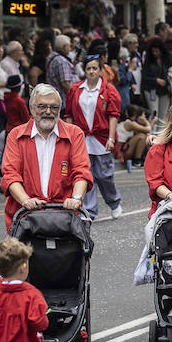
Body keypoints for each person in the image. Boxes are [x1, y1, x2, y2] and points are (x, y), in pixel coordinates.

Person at [0, 85, 92, 234]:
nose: (48, 112)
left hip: (64, 216)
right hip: (25, 217)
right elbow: (10, 174)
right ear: (31, 108)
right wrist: (25, 200)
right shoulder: (15, 135)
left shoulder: (75, 134)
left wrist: (76, 198)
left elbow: (81, 171)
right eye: (42, 106)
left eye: (54, 107)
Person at [65, 55, 123, 221]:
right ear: (85, 70)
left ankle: (114, 202)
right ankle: (89, 210)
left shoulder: (109, 90)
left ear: (100, 70)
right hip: (81, 138)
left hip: (101, 138)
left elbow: (113, 116)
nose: (91, 71)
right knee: (85, 175)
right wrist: (69, 137)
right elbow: (68, 115)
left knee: (104, 175)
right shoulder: (75, 89)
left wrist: (111, 138)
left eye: (94, 68)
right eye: (88, 68)